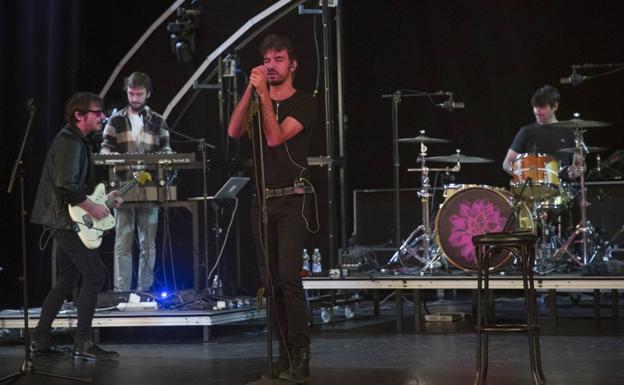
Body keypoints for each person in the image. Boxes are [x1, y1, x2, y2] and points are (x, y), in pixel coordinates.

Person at [228, 34, 318, 384]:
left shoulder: (305, 103)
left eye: (278, 58)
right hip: (262, 201)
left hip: (292, 200)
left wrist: (265, 95)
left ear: (292, 64)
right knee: (270, 283)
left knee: (289, 279)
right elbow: (234, 131)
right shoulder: (257, 98)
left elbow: (275, 137)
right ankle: (282, 353)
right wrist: (252, 91)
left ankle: (301, 353)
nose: (271, 65)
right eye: (267, 59)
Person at [30, 92, 122, 360]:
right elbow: (66, 186)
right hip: (66, 222)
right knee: (95, 275)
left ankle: (40, 339)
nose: (102, 116)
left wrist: (104, 200)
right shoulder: (70, 141)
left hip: (65, 219)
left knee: (67, 279)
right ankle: (83, 342)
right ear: (79, 115)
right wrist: (93, 208)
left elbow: (76, 187)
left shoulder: (76, 140)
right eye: (97, 112)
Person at [100, 72, 172, 292]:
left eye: (139, 94)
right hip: (122, 188)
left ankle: (144, 291)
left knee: (148, 244)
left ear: (147, 94)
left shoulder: (158, 120)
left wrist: (168, 158)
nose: (134, 98)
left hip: (149, 189)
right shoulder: (115, 120)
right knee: (123, 242)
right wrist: (114, 158)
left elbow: (167, 149)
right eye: (131, 93)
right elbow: (104, 149)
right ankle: (122, 293)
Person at [502, 84, 582, 179]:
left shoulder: (568, 131)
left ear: (555, 106)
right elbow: (506, 163)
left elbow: (580, 164)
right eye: (535, 107)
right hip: (532, 189)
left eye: (542, 107)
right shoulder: (526, 131)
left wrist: (577, 171)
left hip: (563, 189)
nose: (537, 111)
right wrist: (518, 172)